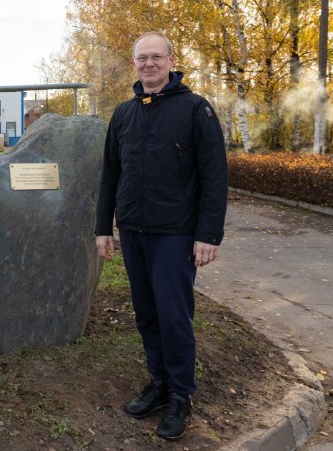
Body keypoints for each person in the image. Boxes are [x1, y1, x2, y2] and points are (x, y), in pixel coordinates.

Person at [95, 31, 228, 440]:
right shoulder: (123, 114)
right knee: (147, 315)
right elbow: (110, 177)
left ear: (171, 60)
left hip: (175, 235)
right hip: (134, 231)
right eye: (141, 58)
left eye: (156, 57)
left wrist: (208, 235)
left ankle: (182, 396)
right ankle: (159, 382)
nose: (149, 64)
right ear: (133, 64)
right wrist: (104, 228)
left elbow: (215, 177)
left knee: (174, 318)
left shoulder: (195, 110)